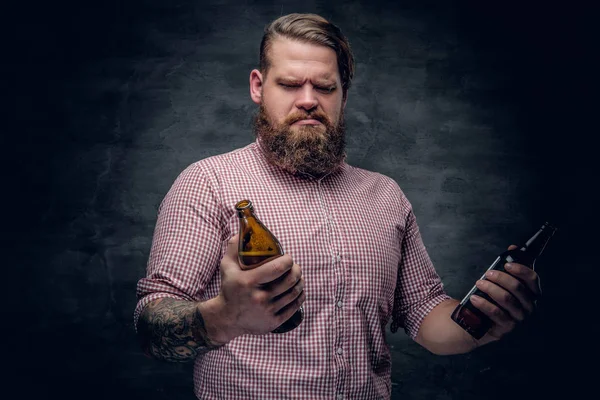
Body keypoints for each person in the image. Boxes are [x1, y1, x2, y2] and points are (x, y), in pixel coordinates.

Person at [134, 13, 542, 399]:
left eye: (325, 87)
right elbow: (151, 327)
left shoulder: (386, 195)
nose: (308, 100)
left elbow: (425, 314)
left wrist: (484, 321)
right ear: (258, 86)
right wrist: (223, 317)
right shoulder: (208, 182)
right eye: (290, 84)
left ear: (344, 92)